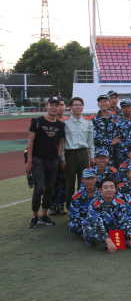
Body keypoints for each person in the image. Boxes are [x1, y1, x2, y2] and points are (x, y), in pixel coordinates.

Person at [26, 96, 66, 228]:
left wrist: (59, 157)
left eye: (56, 105)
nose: (54, 107)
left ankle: (44, 215)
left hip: (53, 161)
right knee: (39, 188)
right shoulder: (37, 121)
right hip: (38, 160)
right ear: (46, 106)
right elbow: (30, 141)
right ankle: (34, 216)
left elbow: (61, 143)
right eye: (51, 105)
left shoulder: (61, 125)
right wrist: (29, 160)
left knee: (49, 189)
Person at [62, 97, 94, 213]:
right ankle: (70, 208)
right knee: (69, 183)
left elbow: (90, 142)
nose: (78, 107)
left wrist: (92, 157)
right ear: (70, 107)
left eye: (80, 105)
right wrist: (62, 158)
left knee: (84, 182)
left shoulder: (88, 123)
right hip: (69, 154)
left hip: (83, 154)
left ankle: (82, 207)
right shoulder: (65, 124)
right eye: (75, 105)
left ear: (83, 107)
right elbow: (62, 142)